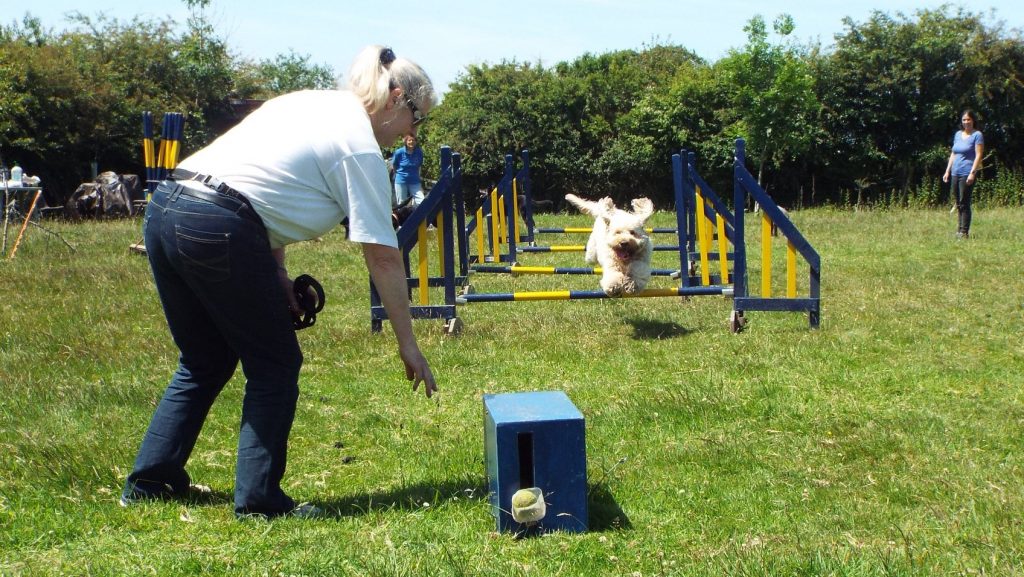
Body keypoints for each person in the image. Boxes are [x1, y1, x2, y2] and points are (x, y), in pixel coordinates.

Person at [121, 45, 438, 519]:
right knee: (274, 364)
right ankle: (260, 503)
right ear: (396, 98)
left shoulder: (307, 102)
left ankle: (149, 483)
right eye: (417, 117)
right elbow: (383, 257)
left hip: (168, 207)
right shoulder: (359, 147)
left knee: (204, 359)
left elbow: (261, 194)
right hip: (218, 224)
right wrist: (408, 344)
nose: (413, 131)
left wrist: (277, 274)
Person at [943, 109, 984, 239]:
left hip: (967, 172)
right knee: (958, 202)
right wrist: (947, 170)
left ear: (973, 120)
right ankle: (959, 230)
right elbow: (953, 153)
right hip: (955, 172)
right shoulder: (957, 135)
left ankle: (964, 232)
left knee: (964, 202)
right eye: (964, 120)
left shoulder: (977, 135)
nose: (966, 122)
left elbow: (978, 155)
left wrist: (972, 173)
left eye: (968, 119)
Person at [392, 134, 424, 207]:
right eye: (409, 140)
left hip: (415, 181)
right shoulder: (399, 152)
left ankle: (414, 210)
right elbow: (394, 165)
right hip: (401, 181)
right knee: (402, 204)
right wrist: (398, 174)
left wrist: (419, 178)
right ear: (406, 142)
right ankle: (404, 214)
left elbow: (419, 166)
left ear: (416, 142)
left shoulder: (419, 152)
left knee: (421, 201)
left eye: (413, 140)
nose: (411, 142)